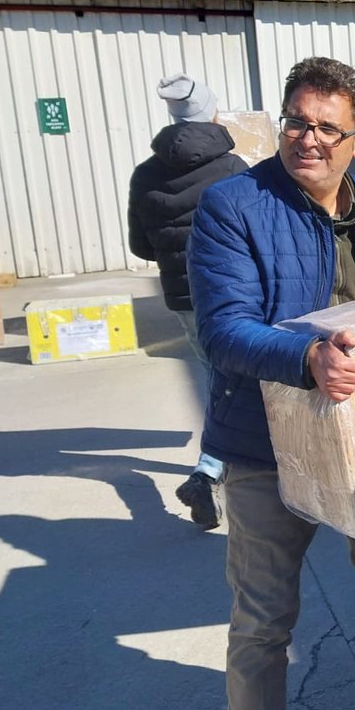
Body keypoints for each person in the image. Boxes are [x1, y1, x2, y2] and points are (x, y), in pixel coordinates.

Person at [186, 58, 355, 710]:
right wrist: (306, 357)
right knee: (264, 619)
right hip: (265, 447)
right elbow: (223, 331)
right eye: (296, 121)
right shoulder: (232, 206)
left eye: (328, 127)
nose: (307, 139)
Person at [128, 74, 246, 530]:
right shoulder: (235, 169)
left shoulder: (146, 174)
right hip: (234, 293)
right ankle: (210, 471)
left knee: (218, 378)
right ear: (213, 113)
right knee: (232, 383)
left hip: (184, 296)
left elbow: (141, 246)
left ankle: (215, 469)